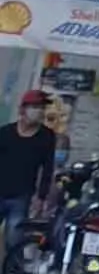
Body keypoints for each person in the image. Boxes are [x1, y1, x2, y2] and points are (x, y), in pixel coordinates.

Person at [0, 89, 57, 260]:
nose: (39, 111)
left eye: (42, 108)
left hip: (21, 196)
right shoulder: (5, 133)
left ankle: (12, 273)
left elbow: (47, 168)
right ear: (23, 109)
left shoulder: (46, 137)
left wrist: (41, 197)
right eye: (36, 107)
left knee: (14, 239)